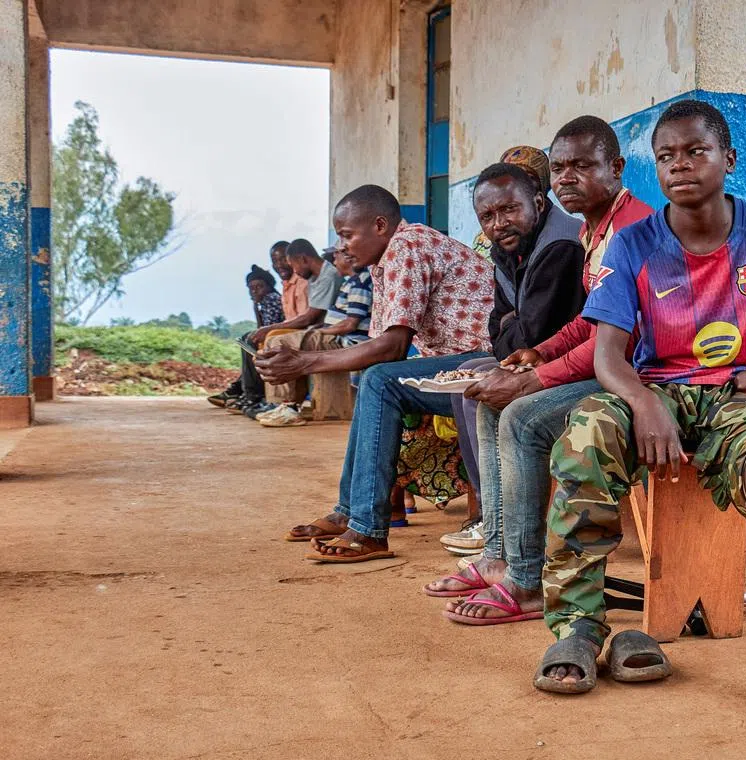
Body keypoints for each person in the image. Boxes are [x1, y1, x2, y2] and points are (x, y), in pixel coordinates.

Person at [533, 100, 746, 701]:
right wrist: (642, 402)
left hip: (735, 396)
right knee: (585, 428)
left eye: (696, 151)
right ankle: (579, 627)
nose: (679, 165)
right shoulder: (633, 244)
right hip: (658, 391)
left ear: (729, 159)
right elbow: (608, 354)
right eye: (666, 156)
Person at [425, 116, 653, 624]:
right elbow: (591, 321)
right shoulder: (596, 227)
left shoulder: (631, 230)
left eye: (581, 166)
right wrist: (539, 353)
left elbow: (618, 339)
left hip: (637, 377)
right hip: (608, 363)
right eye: (559, 167)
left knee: (521, 418)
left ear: (615, 168)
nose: (567, 177)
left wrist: (534, 378)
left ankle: (526, 582)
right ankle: (497, 556)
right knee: (488, 399)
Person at [258, 184, 494, 562]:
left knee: (380, 381)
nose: (341, 246)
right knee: (377, 379)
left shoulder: (409, 246)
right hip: (454, 366)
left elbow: (391, 348)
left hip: (484, 362)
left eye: (347, 235)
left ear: (380, 225)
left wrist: (303, 362)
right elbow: (380, 346)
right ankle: (351, 511)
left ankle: (366, 529)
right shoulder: (385, 261)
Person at [445, 162, 586, 506]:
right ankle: (486, 506)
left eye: (509, 209)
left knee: (481, 383)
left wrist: (513, 323)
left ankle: (502, 512)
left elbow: (533, 336)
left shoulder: (561, 245)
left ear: (538, 203)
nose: (499, 223)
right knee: (469, 381)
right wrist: (513, 323)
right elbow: (497, 331)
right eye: (487, 216)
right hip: (536, 354)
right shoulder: (509, 248)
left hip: (570, 359)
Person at [257, 247, 373, 427]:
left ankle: (287, 406)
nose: (333, 259)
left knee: (279, 342)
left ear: (349, 258)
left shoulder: (361, 283)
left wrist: (320, 332)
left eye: (338, 254)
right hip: (334, 335)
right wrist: (321, 328)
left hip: (345, 340)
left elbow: (349, 324)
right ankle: (287, 405)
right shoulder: (351, 281)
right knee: (278, 341)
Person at [208, 258, 287, 408]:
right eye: (251, 288)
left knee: (248, 340)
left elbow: (267, 328)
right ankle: (239, 390)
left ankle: (251, 394)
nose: (255, 291)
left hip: (279, 337)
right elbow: (261, 327)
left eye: (259, 286)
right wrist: (255, 306)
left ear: (269, 287)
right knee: (247, 341)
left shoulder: (271, 299)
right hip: (272, 336)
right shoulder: (262, 302)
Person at [274, 240, 309, 320]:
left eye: (284, 260)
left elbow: (303, 321)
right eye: (275, 261)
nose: (279, 265)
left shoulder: (302, 282)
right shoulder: (286, 284)